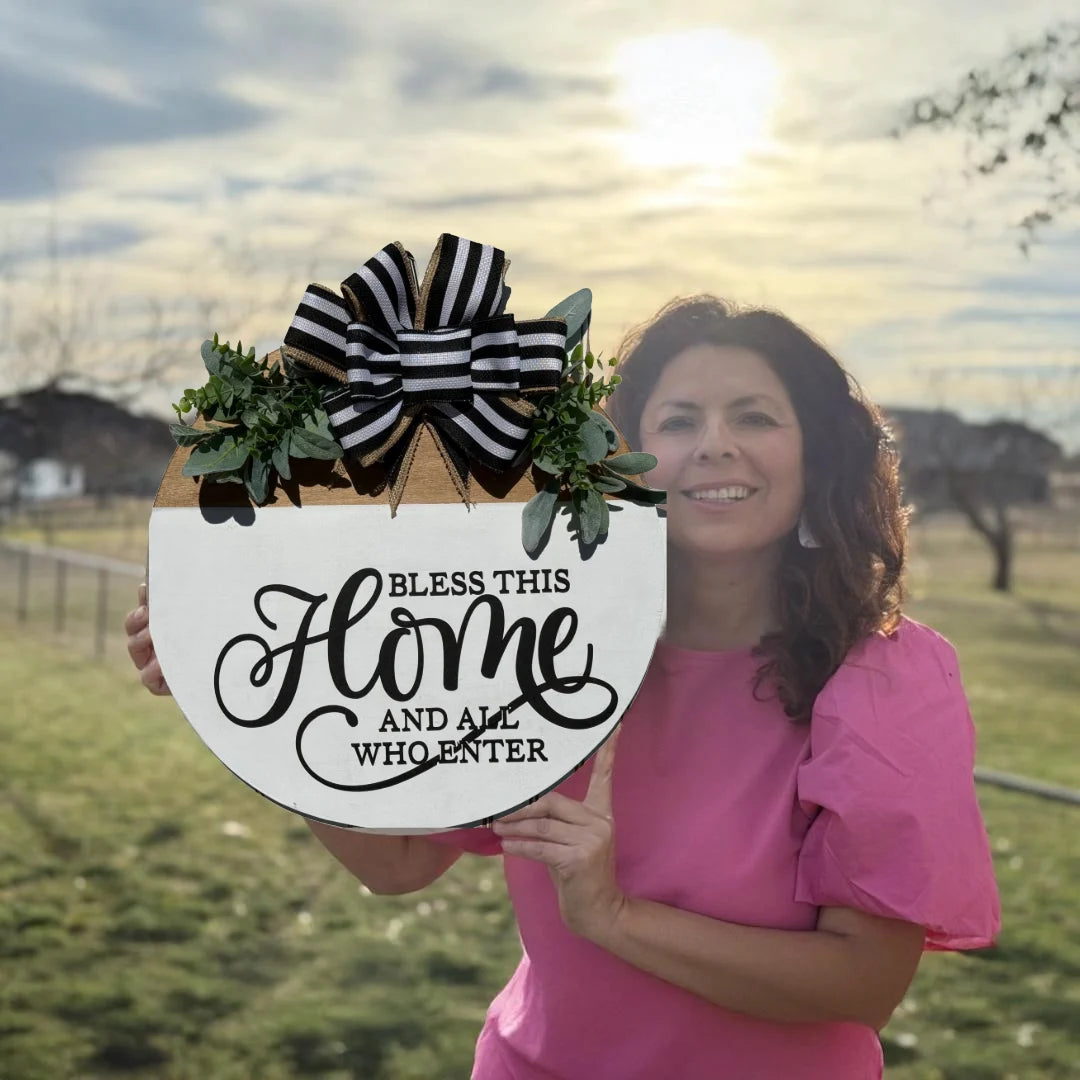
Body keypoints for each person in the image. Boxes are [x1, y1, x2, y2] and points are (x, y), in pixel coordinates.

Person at [126, 294, 1002, 1079]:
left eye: (756, 417)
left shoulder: (885, 677)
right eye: (680, 419)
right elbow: (395, 862)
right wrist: (249, 707)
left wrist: (613, 916)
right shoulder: (537, 641)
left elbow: (864, 981)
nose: (715, 445)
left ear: (817, 455)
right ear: (622, 459)